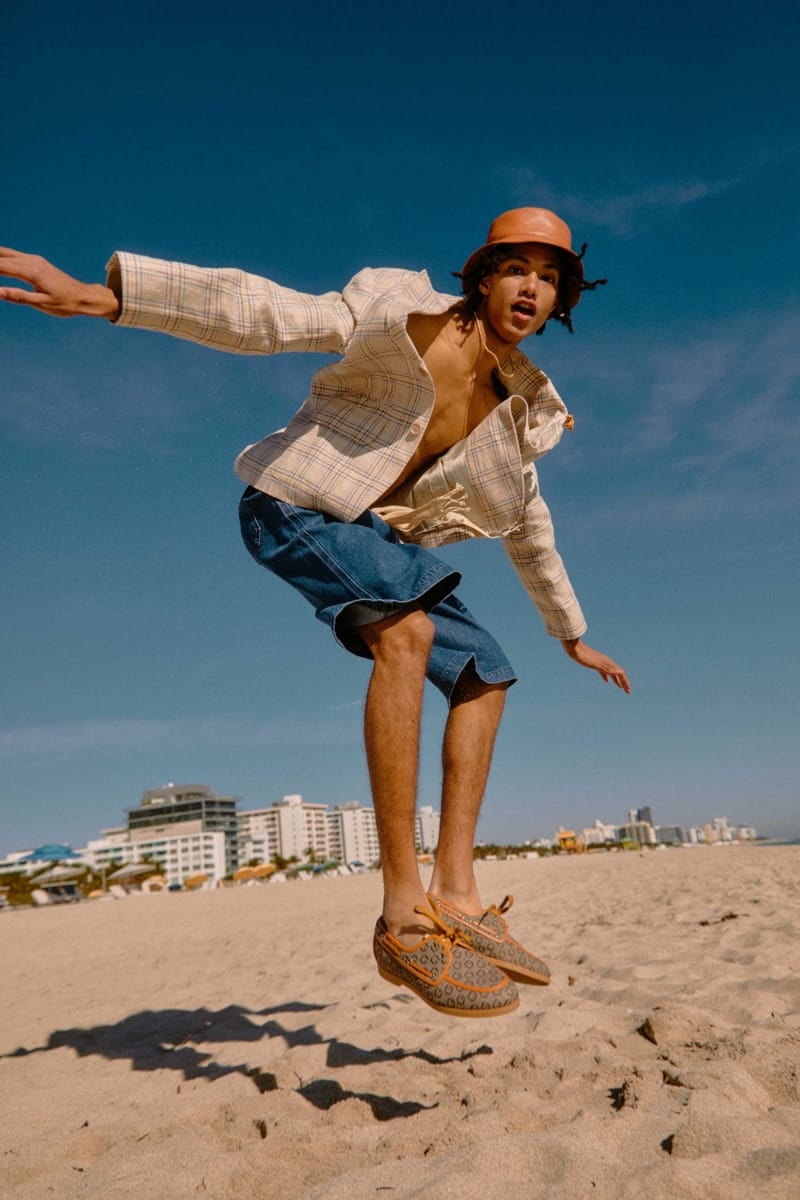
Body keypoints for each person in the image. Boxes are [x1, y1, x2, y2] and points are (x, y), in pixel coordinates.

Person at [0, 207, 630, 1018]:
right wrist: (110, 298)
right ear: (483, 277)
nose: (531, 288)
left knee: (487, 675)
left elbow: (530, 527)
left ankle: (457, 894)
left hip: (365, 534)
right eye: (517, 269)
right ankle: (403, 917)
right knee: (408, 632)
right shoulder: (401, 310)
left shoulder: (521, 410)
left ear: (561, 301)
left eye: (549, 279)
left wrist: (572, 634)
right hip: (292, 503)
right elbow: (267, 312)